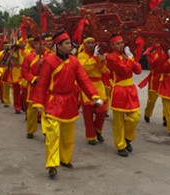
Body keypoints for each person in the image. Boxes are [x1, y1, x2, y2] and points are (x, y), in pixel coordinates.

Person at [31, 31, 100, 178]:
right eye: (67, 43)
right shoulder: (50, 61)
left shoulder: (74, 61)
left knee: (68, 135)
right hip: (53, 101)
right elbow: (42, 84)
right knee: (52, 134)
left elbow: (84, 80)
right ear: (59, 45)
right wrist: (38, 102)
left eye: (70, 43)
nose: (70, 46)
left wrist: (93, 95)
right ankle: (52, 164)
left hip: (69, 101)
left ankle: (65, 159)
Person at [106, 34, 142, 157]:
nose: (121, 45)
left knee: (135, 116)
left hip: (130, 89)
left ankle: (127, 137)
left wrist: (131, 57)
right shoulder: (111, 58)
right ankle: (120, 145)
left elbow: (138, 70)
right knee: (118, 121)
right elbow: (125, 70)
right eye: (118, 43)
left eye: (122, 42)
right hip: (119, 89)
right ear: (112, 46)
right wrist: (131, 59)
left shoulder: (126, 56)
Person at [77, 35, 108, 145]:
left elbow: (105, 71)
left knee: (102, 110)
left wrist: (103, 61)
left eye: (92, 42)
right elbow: (85, 69)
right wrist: (94, 58)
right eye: (88, 43)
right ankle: (90, 136)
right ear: (84, 44)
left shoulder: (98, 55)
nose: (91, 45)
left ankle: (97, 130)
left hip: (99, 86)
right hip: (87, 85)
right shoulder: (81, 55)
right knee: (88, 113)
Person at [21, 36, 49, 139]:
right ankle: (30, 130)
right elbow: (24, 72)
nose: (42, 47)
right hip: (33, 86)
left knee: (45, 110)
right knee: (32, 111)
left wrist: (44, 63)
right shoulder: (29, 57)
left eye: (43, 44)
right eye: (39, 44)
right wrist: (34, 79)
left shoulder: (49, 56)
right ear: (35, 45)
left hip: (45, 87)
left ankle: (46, 130)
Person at [140, 44, 163, 124]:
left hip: (166, 79)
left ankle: (166, 118)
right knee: (151, 100)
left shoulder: (168, 53)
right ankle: (147, 113)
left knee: (167, 101)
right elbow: (152, 64)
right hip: (154, 79)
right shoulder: (151, 55)